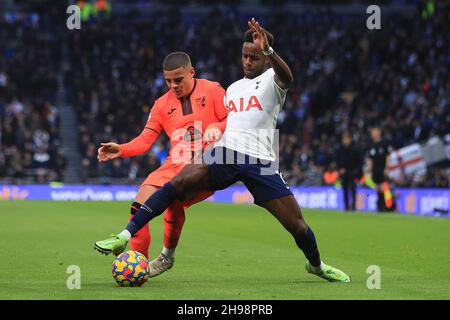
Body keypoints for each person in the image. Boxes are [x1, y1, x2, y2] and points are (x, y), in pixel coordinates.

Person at [95, 18, 350, 283]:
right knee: (176, 184)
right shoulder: (232, 88)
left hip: (260, 161)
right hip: (226, 153)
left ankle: (317, 265)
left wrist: (270, 52)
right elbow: (216, 121)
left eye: (254, 56)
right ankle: (125, 236)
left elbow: (288, 76)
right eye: (244, 56)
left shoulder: (273, 82)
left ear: (264, 58)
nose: (248, 61)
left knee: (297, 225)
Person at [96, 52, 228, 271]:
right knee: (138, 206)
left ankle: (167, 255)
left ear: (192, 72)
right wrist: (122, 149)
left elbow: (233, 120)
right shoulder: (160, 105)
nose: (173, 85)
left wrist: (218, 127)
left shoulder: (213, 90)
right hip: (173, 164)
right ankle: (138, 266)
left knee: (173, 200)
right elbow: (145, 140)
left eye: (178, 80)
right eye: (168, 81)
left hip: (206, 163)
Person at [366, 126, 393, 212]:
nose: (374, 134)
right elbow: (370, 158)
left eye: (376, 132)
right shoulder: (371, 144)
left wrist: (387, 167)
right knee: (377, 187)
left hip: (382, 168)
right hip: (375, 169)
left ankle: (386, 205)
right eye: (373, 133)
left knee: (383, 187)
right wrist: (369, 169)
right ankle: (380, 205)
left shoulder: (384, 143)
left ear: (379, 132)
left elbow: (388, 156)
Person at [336, 132, 362, 211]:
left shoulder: (355, 149)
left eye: (347, 138)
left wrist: (356, 171)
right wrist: (340, 169)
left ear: (350, 139)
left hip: (353, 172)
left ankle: (354, 206)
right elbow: (337, 160)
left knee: (353, 189)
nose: (345, 140)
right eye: (344, 139)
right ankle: (346, 206)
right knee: (345, 189)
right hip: (344, 173)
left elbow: (359, 161)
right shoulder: (340, 149)